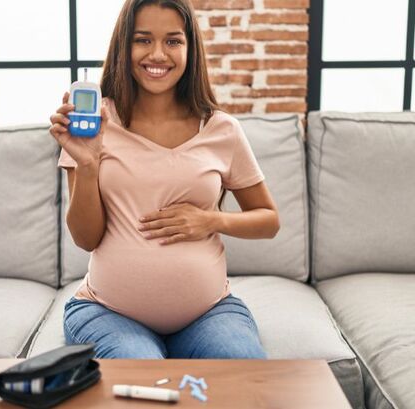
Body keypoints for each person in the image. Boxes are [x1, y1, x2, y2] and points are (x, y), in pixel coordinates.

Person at [48, 0, 279, 359]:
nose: (157, 54)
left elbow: (268, 220)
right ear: (124, 46)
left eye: (172, 41)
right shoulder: (95, 123)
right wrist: (89, 163)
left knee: (244, 377)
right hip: (109, 312)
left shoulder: (222, 129)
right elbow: (85, 237)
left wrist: (210, 220)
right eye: (143, 40)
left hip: (208, 312)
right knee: (142, 374)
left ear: (190, 49)